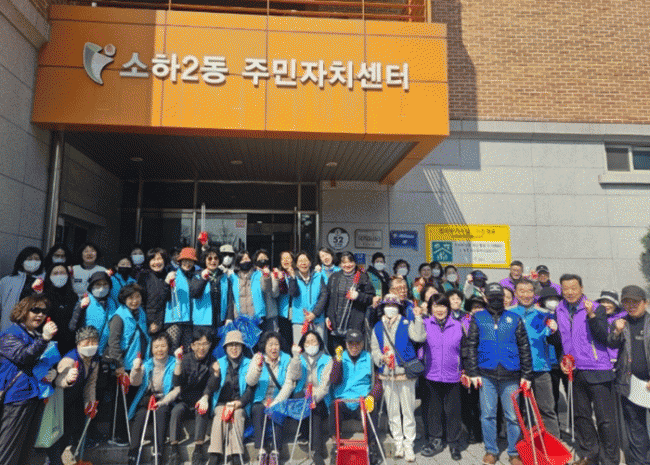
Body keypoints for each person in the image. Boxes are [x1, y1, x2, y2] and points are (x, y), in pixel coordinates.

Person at [555, 274, 619, 465]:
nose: (570, 292)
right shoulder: (560, 309)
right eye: (565, 288)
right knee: (581, 417)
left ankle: (609, 460)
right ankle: (589, 454)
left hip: (598, 369)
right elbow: (564, 339)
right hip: (575, 370)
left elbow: (603, 336)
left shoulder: (596, 308)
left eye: (573, 288)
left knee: (605, 419)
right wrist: (562, 358)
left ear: (582, 288)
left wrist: (591, 315)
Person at [466, 282, 532, 465]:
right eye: (492, 297)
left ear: (504, 298)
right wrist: (473, 372)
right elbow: (471, 345)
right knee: (487, 415)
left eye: (499, 297)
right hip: (486, 374)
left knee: (513, 417)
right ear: (486, 298)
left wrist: (526, 375)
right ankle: (491, 450)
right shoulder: (478, 317)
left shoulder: (514, 318)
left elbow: (524, 347)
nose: (496, 300)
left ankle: (514, 452)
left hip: (511, 374)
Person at [0, 294, 58, 465]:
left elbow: (39, 362)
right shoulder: (9, 335)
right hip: (17, 399)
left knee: (25, 450)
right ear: (24, 311)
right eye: (35, 310)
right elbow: (24, 357)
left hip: (34, 396)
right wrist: (44, 338)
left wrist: (52, 372)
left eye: (43, 311)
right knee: (8, 449)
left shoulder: (35, 335)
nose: (40, 315)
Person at [371, 294, 426, 462]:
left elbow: (419, 337)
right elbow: (374, 348)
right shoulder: (378, 326)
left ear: (399, 308)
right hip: (387, 374)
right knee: (393, 411)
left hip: (405, 373)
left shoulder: (406, 322)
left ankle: (409, 444)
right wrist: (380, 358)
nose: (390, 308)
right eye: (387, 305)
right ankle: (398, 443)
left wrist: (418, 318)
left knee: (408, 411)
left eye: (394, 305)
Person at [510, 279, 561, 439]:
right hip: (516, 369)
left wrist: (554, 330)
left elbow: (553, 339)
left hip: (540, 368)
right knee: (520, 410)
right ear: (516, 293)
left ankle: (553, 445)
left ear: (534, 293)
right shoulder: (509, 313)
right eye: (522, 291)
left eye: (529, 291)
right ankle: (525, 444)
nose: (526, 295)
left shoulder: (544, 313)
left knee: (547, 409)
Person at [607, 285, 650, 465]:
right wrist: (617, 331)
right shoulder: (621, 323)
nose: (631, 306)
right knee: (635, 427)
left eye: (635, 302)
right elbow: (611, 344)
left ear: (645, 303)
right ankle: (641, 462)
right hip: (631, 383)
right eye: (627, 302)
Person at [276, 330, 332, 465]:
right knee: (299, 396)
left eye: (314, 341)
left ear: (319, 343)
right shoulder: (299, 358)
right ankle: (305, 433)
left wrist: (314, 398)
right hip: (303, 396)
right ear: (303, 344)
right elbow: (294, 377)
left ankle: (316, 451)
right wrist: (295, 357)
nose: (311, 344)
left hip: (320, 398)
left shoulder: (327, 360)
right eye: (307, 342)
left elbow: (325, 387)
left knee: (315, 409)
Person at [105, 283, 151, 447]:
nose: (135, 300)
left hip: (138, 365)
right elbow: (113, 342)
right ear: (124, 299)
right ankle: (117, 436)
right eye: (131, 298)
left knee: (133, 402)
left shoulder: (141, 313)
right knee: (120, 403)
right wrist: (119, 365)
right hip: (123, 366)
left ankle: (131, 436)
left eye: (137, 297)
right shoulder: (119, 317)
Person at [47, 326, 101, 465]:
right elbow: (57, 380)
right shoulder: (69, 359)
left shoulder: (95, 360)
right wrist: (68, 380)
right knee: (56, 434)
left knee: (69, 431)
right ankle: (52, 461)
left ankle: (56, 459)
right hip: (59, 398)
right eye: (86, 342)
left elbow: (91, 384)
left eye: (94, 341)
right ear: (78, 344)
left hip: (74, 399)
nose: (90, 345)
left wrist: (90, 403)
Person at [419, 294, 464, 460]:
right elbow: (419, 345)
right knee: (434, 410)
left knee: (453, 411)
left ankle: (454, 443)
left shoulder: (457, 325)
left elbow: (465, 349)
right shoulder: (425, 324)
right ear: (430, 308)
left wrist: (465, 370)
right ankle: (435, 440)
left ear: (448, 308)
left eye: (443, 306)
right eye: (436, 306)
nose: (440, 309)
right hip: (431, 374)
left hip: (453, 375)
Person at [127, 332, 180, 465]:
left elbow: (177, 389)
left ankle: (158, 453)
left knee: (161, 413)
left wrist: (163, 402)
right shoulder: (147, 364)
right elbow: (134, 382)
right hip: (147, 399)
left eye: (163, 346)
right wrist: (136, 369)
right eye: (156, 347)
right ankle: (133, 454)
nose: (159, 350)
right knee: (140, 415)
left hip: (165, 399)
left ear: (168, 347)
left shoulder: (175, 363)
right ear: (151, 349)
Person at [329, 329, 381, 465]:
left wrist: (372, 396)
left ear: (362, 344)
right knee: (334, 406)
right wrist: (338, 362)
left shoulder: (369, 358)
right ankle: (335, 445)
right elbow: (334, 380)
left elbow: (378, 382)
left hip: (361, 400)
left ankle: (372, 446)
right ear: (346, 344)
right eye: (351, 343)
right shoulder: (339, 357)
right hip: (344, 400)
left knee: (372, 408)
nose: (354, 347)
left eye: (357, 343)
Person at [169, 328, 220, 465]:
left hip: (201, 399)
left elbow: (212, 385)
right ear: (192, 345)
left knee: (202, 410)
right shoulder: (185, 359)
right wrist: (178, 362)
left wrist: (215, 375)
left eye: (205, 344)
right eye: (198, 344)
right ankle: (174, 450)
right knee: (176, 411)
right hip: (184, 400)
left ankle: (198, 449)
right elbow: (177, 382)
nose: (202, 348)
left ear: (210, 345)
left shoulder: (212, 360)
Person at [247, 331, 296, 465]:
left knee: (278, 410)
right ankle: (261, 450)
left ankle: (275, 451)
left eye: (276, 344)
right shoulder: (257, 358)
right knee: (257, 409)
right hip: (261, 399)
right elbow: (250, 381)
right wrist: (257, 368)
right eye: (270, 345)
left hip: (278, 398)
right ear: (264, 346)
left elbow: (289, 385)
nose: (274, 348)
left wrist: (276, 402)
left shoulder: (287, 359)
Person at [207, 330, 254, 465]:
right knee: (219, 415)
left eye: (237, 345)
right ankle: (215, 454)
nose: (234, 348)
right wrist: (216, 374)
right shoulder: (219, 363)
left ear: (242, 347)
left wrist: (239, 403)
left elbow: (250, 389)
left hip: (240, 403)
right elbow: (212, 387)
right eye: (230, 345)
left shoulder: (249, 363)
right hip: (222, 402)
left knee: (238, 415)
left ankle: (236, 454)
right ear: (225, 348)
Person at [325, 252, 375, 350]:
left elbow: (371, 298)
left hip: (355, 324)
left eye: (350, 262)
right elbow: (329, 299)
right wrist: (328, 316)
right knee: (338, 354)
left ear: (355, 263)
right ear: (340, 264)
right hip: (336, 325)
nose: (347, 265)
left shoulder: (363, 277)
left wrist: (358, 296)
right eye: (344, 262)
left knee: (354, 352)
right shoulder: (334, 277)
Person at [69, 270, 116, 355]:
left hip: (105, 352)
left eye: (105, 284)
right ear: (91, 286)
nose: (102, 287)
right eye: (98, 284)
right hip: (86, 350)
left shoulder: (112, 303)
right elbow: (72, 327)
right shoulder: (85, 302)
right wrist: (80, 308)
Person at [0, 246, 45, 331]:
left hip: (34, 329)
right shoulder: (6, 281)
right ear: (22, 261)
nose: (33, 261)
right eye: (29, 259)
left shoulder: (45, 281)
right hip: (9, 327)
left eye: (37, 259)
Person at [164, 247, 200, 350]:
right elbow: (165, 296)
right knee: (172, 349)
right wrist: (166, 283)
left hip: (190, 321)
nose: (187, 263)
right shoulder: (173, 275)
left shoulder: (197, 276)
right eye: (185, 260)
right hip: (174, 320)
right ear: (180, 261)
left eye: (190, 261)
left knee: (187, 350)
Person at [287, 251, 328, 344]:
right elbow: (293, 293)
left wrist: (314, 313)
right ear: (296, 264)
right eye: (300, 261)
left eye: (306, 260)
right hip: (300, 320)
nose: (303, 263)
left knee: (318, 346)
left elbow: (324, 295)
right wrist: (293, 278)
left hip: (317, 319)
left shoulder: (318, 276)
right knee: (300, 347)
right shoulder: (293, 277)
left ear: (310, 262)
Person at [221, 250, 270, 324]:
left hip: (257, 317)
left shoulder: (258, 274)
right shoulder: (233, 277)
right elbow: (230, 298)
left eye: (247, 258)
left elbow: (266, 289)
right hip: (239, 318)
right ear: (238, 262)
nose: (245, 261)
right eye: (242, 259)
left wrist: (266, 277)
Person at [43, 263, 79, 355]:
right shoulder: (43, 297)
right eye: (55, 273)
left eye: (62, 273)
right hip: (48, 345)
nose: (59, 276)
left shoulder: (74, 296)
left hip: (70, 345)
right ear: (49, 276)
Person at [190, 246, 223, 334]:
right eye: (210, 258)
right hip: (202, 321)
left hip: (219, 321)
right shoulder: (197, 275)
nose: (213, 261)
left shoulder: (223, 276)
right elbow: (194, 294)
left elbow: (229, 298)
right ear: (205, 260)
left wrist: (229, 318)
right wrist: (203, 279)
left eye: (216, 258)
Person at [137, 248, 170, 336]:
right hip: (151, 323)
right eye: (153, 259)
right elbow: (141, 303)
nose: (156, 262)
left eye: (159, 259)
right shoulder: (144, 276)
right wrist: (150, 322)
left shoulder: (169, 275)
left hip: (168, 322)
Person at [253, 249, 280, 334]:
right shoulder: (253, 276)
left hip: (270, 314)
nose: (263, 260)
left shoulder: (272, 274)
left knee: (271, 337)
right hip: (256, 315)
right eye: (260, 258)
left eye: (265, 258)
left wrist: (275, 279)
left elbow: (275, 294)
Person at [596, 290, 626, 365]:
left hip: (618, 360)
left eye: (609, 302)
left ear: (615, 305)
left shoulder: (624, 319)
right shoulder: (594, 319)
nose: (606, 305)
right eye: (603, 302)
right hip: (600, 362)